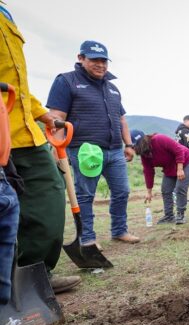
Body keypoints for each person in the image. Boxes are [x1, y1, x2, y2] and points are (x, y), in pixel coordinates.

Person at [0, 4, 81, 294]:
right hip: (0, 131)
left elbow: (15, 85)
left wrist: (41, 113)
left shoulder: (5, 14)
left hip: (25, 133)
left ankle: (36, 273)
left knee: (49, 195)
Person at [46, 40, 139, 248]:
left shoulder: (112, 87)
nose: (101, 65)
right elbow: (57, 117)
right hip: (85, 150)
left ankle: (119, 230)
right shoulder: (66, 81)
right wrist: (56, 147)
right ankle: (87, 238)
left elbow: (121, 119)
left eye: (104, 61)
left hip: (115, 150)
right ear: (81, 58)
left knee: (122, 191)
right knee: (85, 195)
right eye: (95, 60)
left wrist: (129, 144)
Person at [131, 130, 189, 225]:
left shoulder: (159, 139)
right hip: (170, 168)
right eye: (133, 146)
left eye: (136, 145)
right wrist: (149, 191)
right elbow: (148, 171)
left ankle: (180, 215)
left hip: (186, 163)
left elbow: (179, 150)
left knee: (180, 188)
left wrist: (180, 168)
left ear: (143, 140)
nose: (135, 148)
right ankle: (169, 216)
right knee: (166, 190)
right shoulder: (144, 154)